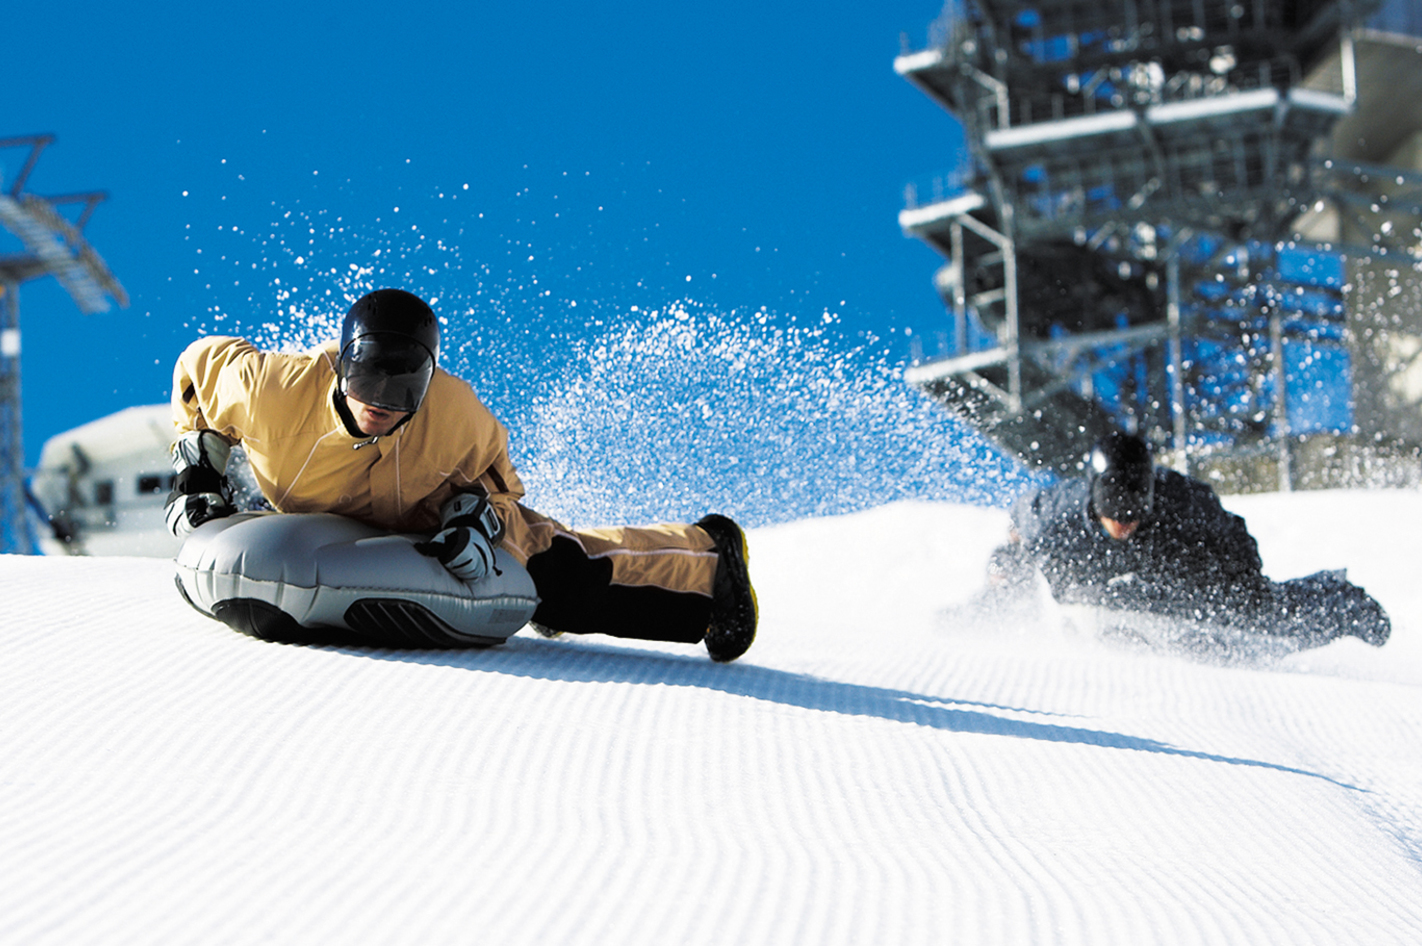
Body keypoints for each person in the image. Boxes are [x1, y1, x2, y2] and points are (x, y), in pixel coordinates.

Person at [164, 288, 758, 662]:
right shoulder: (274, 389)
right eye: (368, 379)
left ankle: (709, 563)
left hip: (429, 518)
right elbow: (197, 366)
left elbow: (499, 487)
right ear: (342, 364)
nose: (382, 402)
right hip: (329, 520)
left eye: (404, 390)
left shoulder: (454, 415)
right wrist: (196, 468)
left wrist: (474, 521)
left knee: (562, 580)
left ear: (427, 383)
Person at [987, 431, 1389, 652]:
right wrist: (1004, 563)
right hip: (1092, 587)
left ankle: (1339, 600)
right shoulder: (1056, 513)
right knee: (1020, 578)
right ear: (1095, 499)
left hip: (1176, 571)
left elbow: (1233, 533)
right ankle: (979, 614)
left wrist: (1241, 585)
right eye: (1115, 513)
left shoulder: (1181, 500)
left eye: (1134, 513)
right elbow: (1018, 530)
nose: (1125, 523)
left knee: (1257, 613)